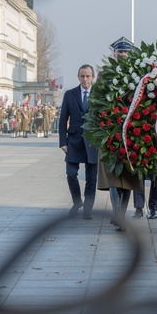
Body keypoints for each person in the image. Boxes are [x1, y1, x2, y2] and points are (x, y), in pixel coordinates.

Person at [95, 37, 144, 231]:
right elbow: (97, 100)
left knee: (129, 177)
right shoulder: (105, 74)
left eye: (126, 52)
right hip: (111, 129)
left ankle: (121, 214)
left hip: (132, 131)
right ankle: (117, 214)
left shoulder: (138, 74)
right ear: (113, 54)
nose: (123, 55)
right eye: (120, 52)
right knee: (113, 176)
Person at [59, 65, 99, 219]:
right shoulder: (70, 94)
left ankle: (88, 209)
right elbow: (63, 119)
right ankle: (77, 202)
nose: (85, 79)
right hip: (74, 141)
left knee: (91, 178)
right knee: (71, 174)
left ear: (93, 77)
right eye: (82, 76)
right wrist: (63, 142)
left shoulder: (98, 95)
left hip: (93, 142)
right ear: (78, 77)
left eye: (88, 76)